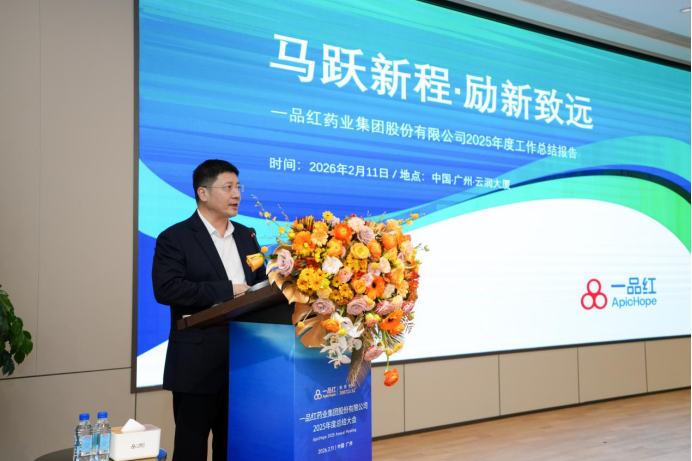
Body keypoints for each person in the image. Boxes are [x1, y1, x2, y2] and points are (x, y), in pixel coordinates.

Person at [152, 159, 267, 461]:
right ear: (202, 193)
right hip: (197, 363)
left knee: (234, 448)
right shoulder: (175, 238)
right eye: (228, 187)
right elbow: (167, 289)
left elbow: (260, 283)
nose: (237, 194)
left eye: (238, 187)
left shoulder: (247, 235)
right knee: (191, 449)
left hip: (245, 360)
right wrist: (228, 290)